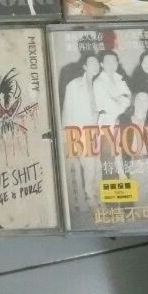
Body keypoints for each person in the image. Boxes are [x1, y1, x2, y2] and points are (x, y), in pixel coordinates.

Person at [61, 54, 102, 210]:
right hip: (81, 133)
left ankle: (99, 199)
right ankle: (91, 200)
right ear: (84, 66)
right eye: (91, 63)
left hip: (96, 133)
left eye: (97, 63)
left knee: (98, 167)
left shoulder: (99, 84)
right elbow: (67, 111)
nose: (95, 65)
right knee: (89, 168)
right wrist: (67, 137)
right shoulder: (74, 85)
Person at [92, 50, 132, 179]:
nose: (112, 64)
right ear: (101, 64)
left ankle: (123, 178)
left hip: (121, 121)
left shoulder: (119, 78)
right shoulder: (98, 82)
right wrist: (120, 100)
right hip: (107, 123)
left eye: (114, 61)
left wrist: (118, 100)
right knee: (110, 156)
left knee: (123, 153)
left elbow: (129, 97)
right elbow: (109, 106)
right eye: (108, 62)